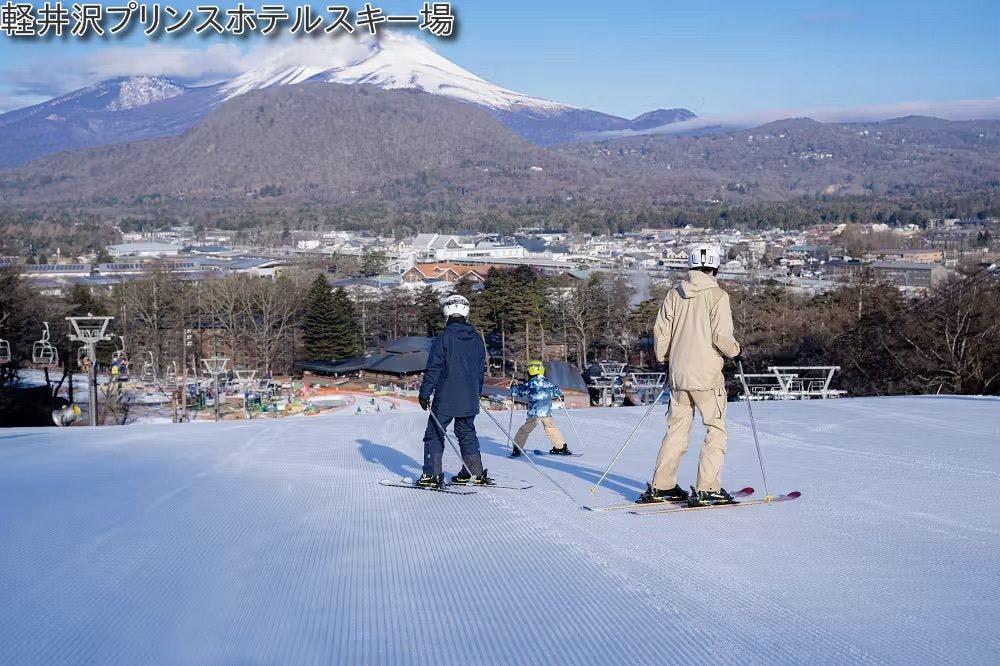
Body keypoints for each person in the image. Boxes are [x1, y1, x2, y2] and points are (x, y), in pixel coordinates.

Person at [638, 243, 742, 507]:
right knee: (715, 429)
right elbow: (722, 337)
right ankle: (708, 488)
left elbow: (661, 332)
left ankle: (662, 486)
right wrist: (736, 352)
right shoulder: (717, 295)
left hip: (678, 374)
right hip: (706, 376)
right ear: (715, 265)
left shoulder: (675, 294)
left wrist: (664, 358)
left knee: (676, 430)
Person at [416, 294, 492, 488]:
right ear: (466, 313)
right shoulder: (476, 339)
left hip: (446, 397)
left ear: (446, 313)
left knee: (434, 432)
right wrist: (477, 392)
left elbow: (434, 368)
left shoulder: (443, 338)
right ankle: (474, 472)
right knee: (466, 432)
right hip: (469, 395)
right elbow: (479, 370)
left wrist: (425, 393)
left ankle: (432, 475)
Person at [509, 359, 572, 457]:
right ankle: (561, 447)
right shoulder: (547, 384)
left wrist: (513, 387)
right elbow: (558, 391)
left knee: (525, 430)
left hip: (534, 414)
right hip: (546, 413)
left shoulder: (530, 384)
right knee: (551, 428)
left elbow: (518, 392)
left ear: (531, 371)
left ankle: (517, 448)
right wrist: (556, 392)